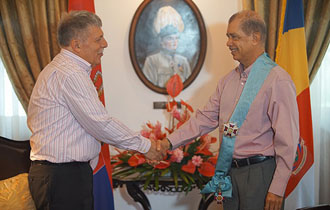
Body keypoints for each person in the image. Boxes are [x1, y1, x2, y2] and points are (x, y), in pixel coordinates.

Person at [27, 10, 167, 210]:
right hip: (62, 179)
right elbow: (101, 124)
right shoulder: (70, 74)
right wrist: (146, 146)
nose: (105, 44)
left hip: (65, 176)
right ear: (76, 44)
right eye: (98, 39)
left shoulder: (65, 70)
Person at [162, 10, 299, 210]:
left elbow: (288, 140)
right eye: (228, 36)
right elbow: (204, 119)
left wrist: (277, 188)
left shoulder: (277, 79)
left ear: (255, 37)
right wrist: (167, 142)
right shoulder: (227, 81)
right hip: (228, 173)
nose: (228, 42)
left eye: (234, 36)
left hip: (260, 175)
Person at [142, 6, 192, 87]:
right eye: (170, 38)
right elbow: (148, 86)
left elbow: (189, 85)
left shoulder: (183, 61)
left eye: (176, 38)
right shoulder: (152, 61)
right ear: (161, 41)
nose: (174, 42)